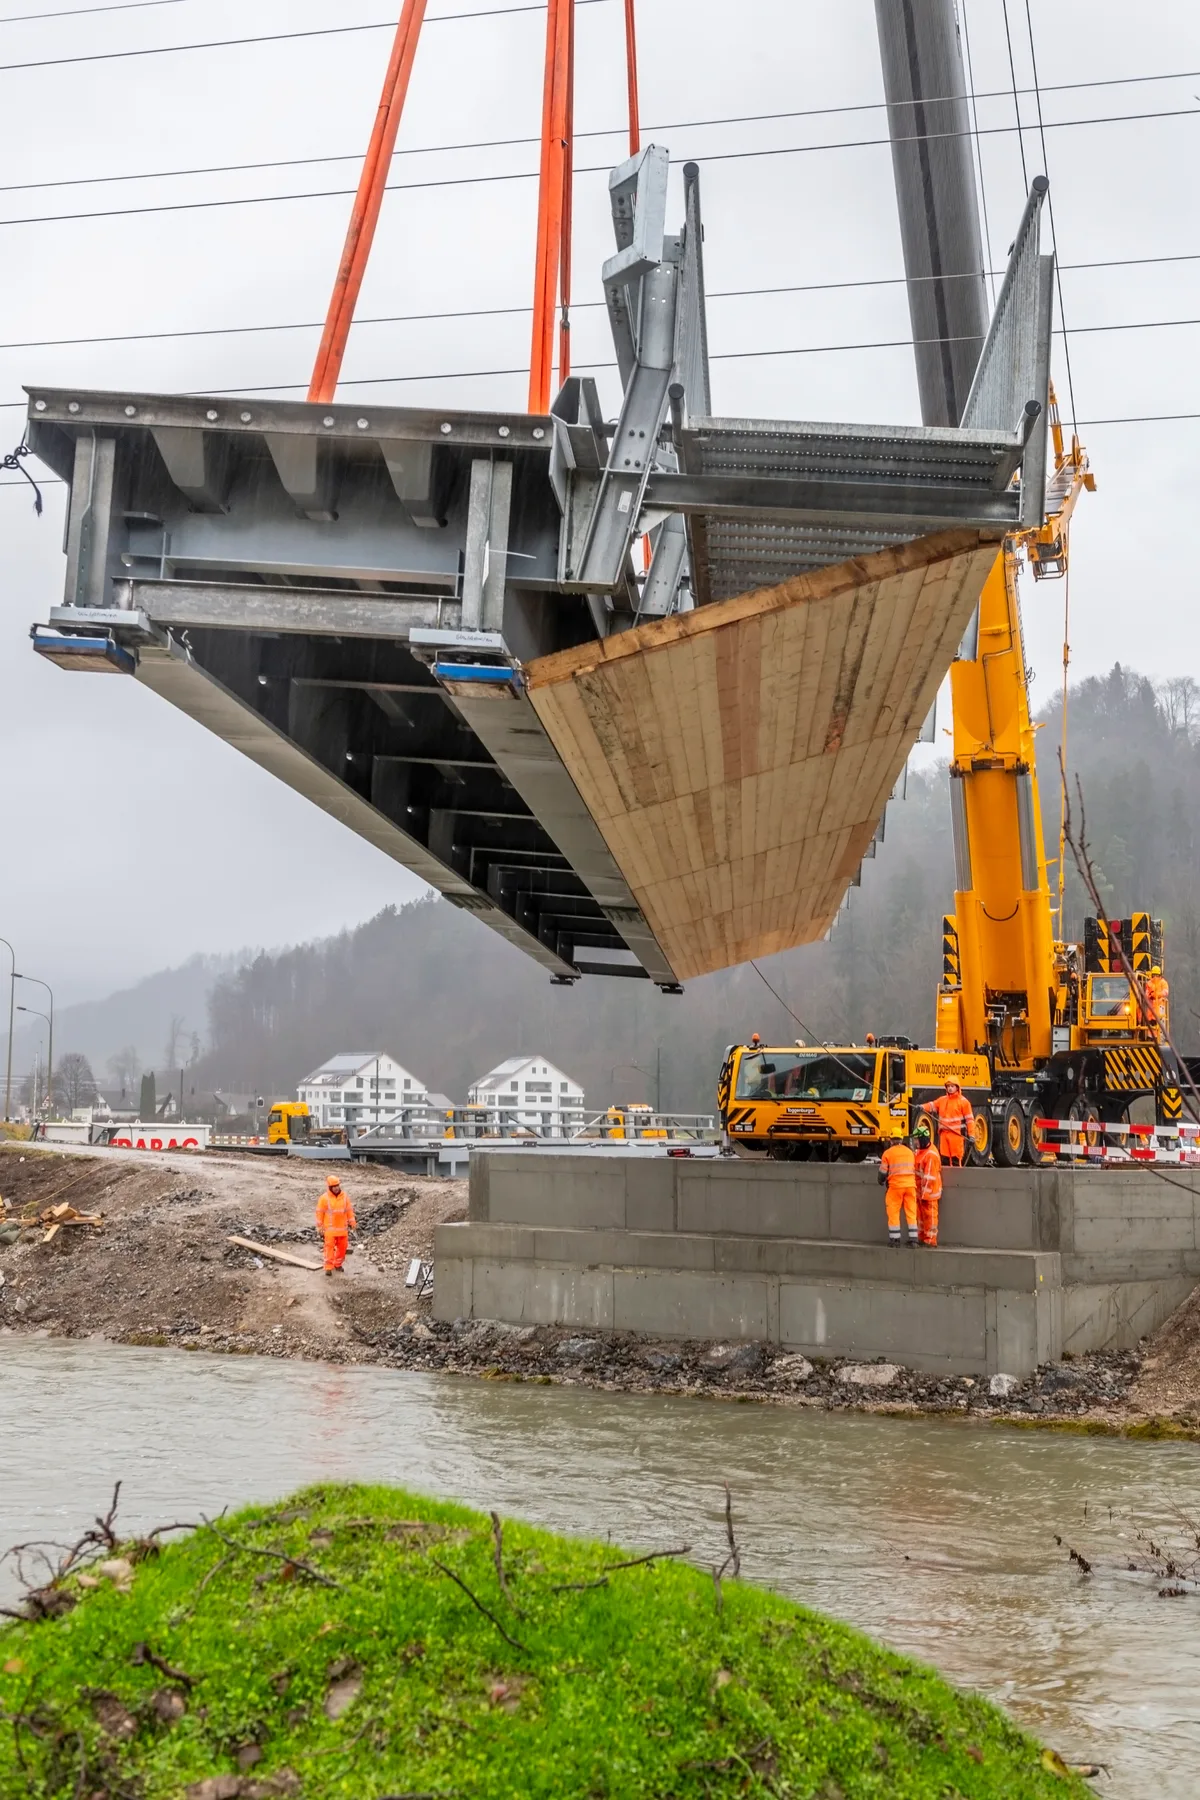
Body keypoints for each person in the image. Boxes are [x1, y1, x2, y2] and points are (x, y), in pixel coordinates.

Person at [922, 1079, 974, 1167]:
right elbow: (932, 1105)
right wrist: (922, 1107)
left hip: (956, 1136)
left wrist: (972, 1135)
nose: (950, 1088)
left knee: (956, 1160)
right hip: (944, 1135)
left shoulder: (964, 1102)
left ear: (957, 1087)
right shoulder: (942, 1100)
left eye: (952, 1086)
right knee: (944, 1160)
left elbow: (970, 1120)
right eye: (948, 1086)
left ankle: (957, 1180)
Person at [878, 1136, 919, 1247]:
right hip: (910, 1186)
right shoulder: (910, 1152)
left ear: (891, 1141)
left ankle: (895, 1240)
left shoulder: (888, 1153)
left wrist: (881, 1181)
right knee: (911, 1213)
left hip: (896, 1187)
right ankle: (914, 1239)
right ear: (901, 1140)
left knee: (893, 1212)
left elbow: (882, 1173)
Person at [316, 1172, 356, 1276]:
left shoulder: (345, 1197)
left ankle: (338, 1264)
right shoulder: (324, 1198)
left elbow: (349, 1211)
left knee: (342, 1248)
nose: (336, 1188)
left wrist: (352, 1222)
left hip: (342, 1229)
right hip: (329, 1230)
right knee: (329, 1248)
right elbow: (320, 1212)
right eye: (334, 1186)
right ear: (330, 1187)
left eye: (337, 1186)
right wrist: (319, 1226)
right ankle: (328, 1267)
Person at [913, 1121, 942, 1248]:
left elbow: (929, 1177)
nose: (915, 1142)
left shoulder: (930, 1155)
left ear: (923, 1139)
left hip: (929, 1194)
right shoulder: (920, 1152)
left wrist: (924, 1194)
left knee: (930, 1217)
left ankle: (930, 1240)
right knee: (920, 1217)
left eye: (917, 1140)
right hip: (921, 1193)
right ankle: (922, 1237)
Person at [1143, 965, 1170, 1038]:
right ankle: (1150, 1037)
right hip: (1151, 1006)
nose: (1155, 977)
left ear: (1160, 975)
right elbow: (1146, 993)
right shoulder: (1149, 983)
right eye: (1154, 975)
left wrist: (1157, 995)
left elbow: (1165, 992)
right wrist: (1150, 996)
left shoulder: (1163, 982)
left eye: (1157, 975)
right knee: (1150, 1022)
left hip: (1160, 1006)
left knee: (1160, 1021)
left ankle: (1160, 1037)